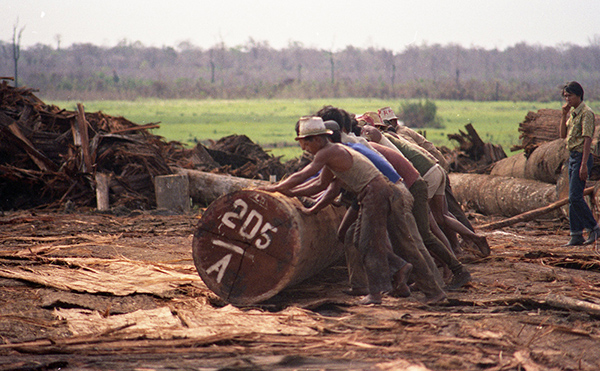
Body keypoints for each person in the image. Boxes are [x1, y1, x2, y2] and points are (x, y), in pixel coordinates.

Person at [262, 116, 447, 304]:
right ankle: (400, 270)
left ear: (316, 139)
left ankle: (384, 292)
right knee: (359, 240)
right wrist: (289, 191)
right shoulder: (332, 153)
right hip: (374, 195)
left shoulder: (328, 152)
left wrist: (275, 188)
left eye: (305, 144)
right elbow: (319, 184)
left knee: (371, 243)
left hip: (377, 193)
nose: (304, 149)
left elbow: (304, 174)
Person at [559, 81, 600, 246]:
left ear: (579, 95)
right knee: (572, 198)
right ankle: (576, 234)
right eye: (565, 96)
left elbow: (587, 140)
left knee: (575, 197)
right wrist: (563, 115)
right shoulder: (574, 113)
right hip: (572, 157)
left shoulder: (586, 113)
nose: (567, 99)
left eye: (570, 96)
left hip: (582, 157)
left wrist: (583, 165)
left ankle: (594, 228)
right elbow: (562, 135)